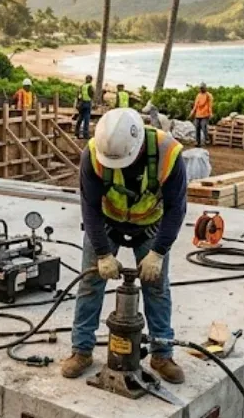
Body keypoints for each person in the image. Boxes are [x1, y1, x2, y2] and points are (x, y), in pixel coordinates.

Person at [61, 108, 188, 384]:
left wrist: (158, 252)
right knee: (90, 283)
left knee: (157, 286)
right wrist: (103, 253)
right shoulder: (93, 154)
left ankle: (161, 353)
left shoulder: (169, 154)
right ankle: (81, 350)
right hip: (107, 222)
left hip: (150, 224)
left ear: (138, 144)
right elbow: (89, 208)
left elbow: (176, 209)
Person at [189, 83, 213, 147]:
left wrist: (210, 113)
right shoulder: (198, 95)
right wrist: (192, 112)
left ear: (205, 88)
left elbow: (210, 105)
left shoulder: (208, 95)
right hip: (198, 114)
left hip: (205, 114)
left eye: (202, 88)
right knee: (197, 128)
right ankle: (197, 142)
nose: (201, 89)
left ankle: (207, 139)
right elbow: (195, 105)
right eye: (200, 88)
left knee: (203, 127)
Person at [76, 75, 95, 139]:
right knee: (86, 120)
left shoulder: (82, 86)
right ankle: (85, 134)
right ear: (91, 80)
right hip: (87, 103)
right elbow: (92, 95)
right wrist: (93, 103)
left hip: (82, 103)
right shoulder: (90, 86)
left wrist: (78, 103)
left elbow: (78, 95)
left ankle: (77, 133)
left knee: (80, 118)